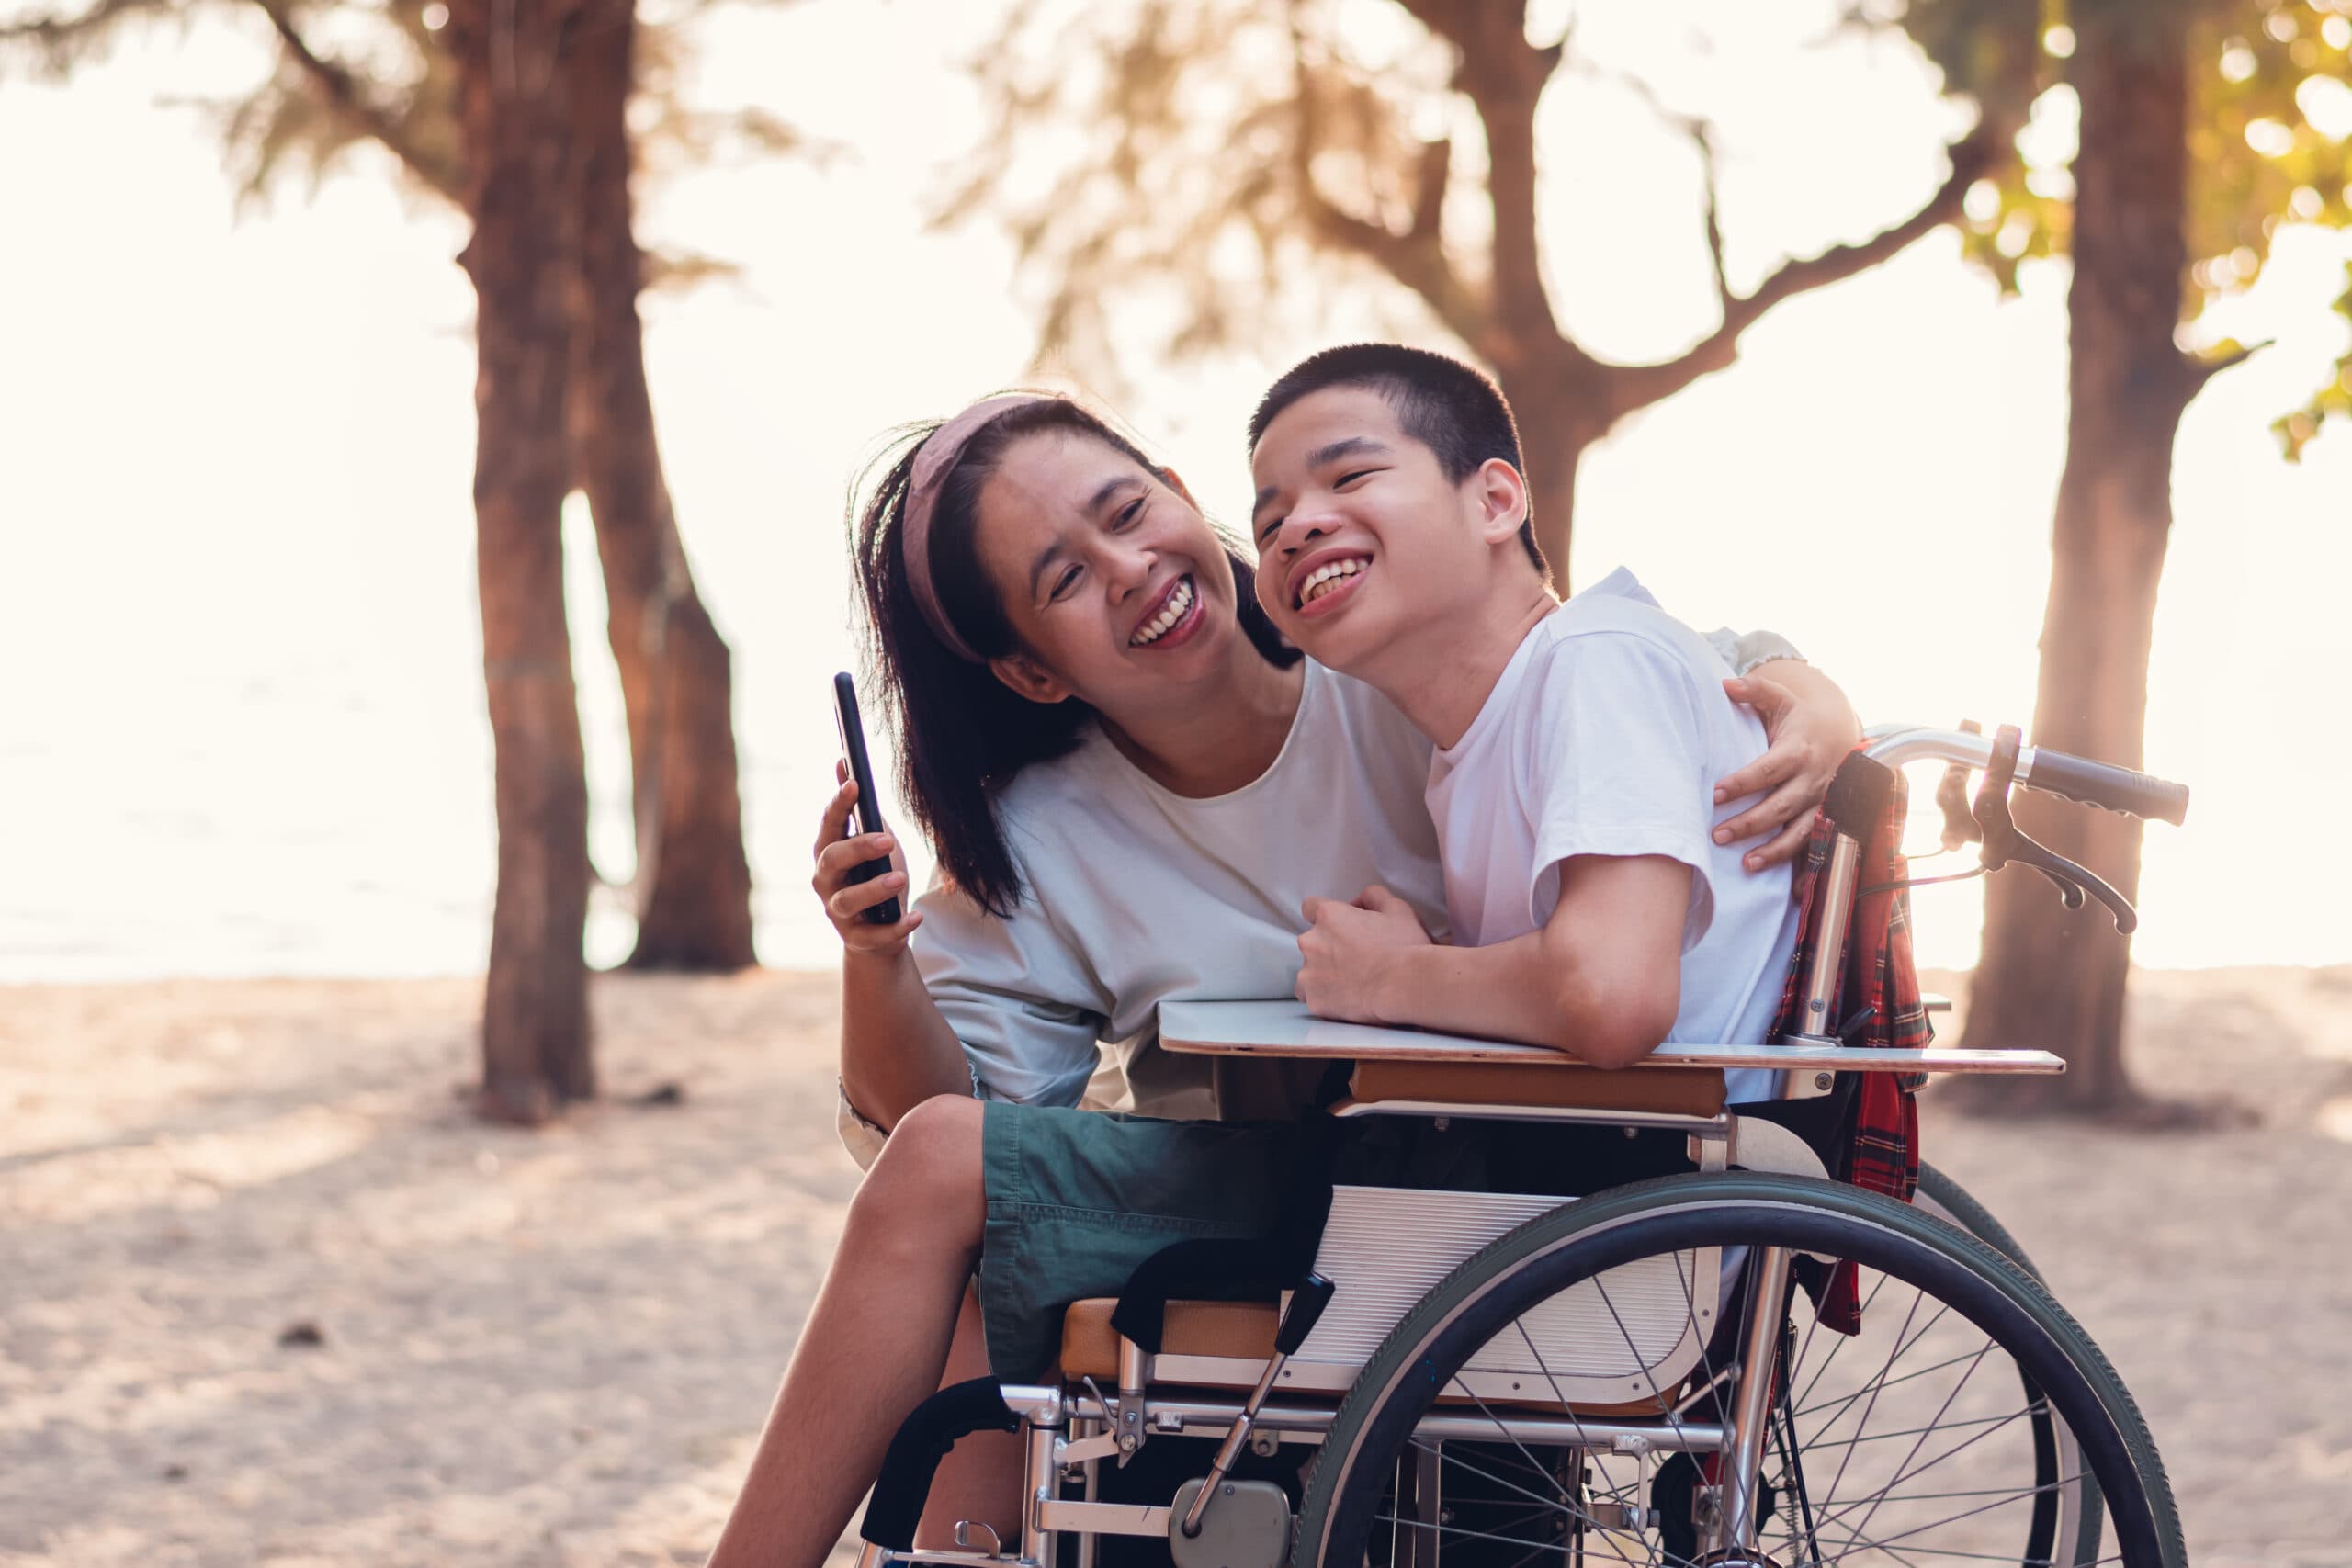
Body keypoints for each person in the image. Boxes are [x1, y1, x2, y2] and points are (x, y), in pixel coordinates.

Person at [705, 389, 1854, 1568]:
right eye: (1064, 578)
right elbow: (936, 1113)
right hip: (1306, 1190)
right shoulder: (1048, 831)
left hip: (1489, 1178)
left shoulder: (1383, 651)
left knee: (956, 1184)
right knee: (958, 1197)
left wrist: (1811, 696)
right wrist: (876, 955)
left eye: (1130, 508)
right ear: (1030, 672)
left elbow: (1645, 666)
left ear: (1184, 497)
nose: (1132, 567)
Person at [1247, 343, 1801, 1098]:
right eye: (1269, 521)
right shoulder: (1471, 738)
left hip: (1665, 1185)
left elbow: (1612, 997)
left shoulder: (1597, 654)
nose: (1296, 528)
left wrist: (1389, 975)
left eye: (1350, 476)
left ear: (1496, 502)